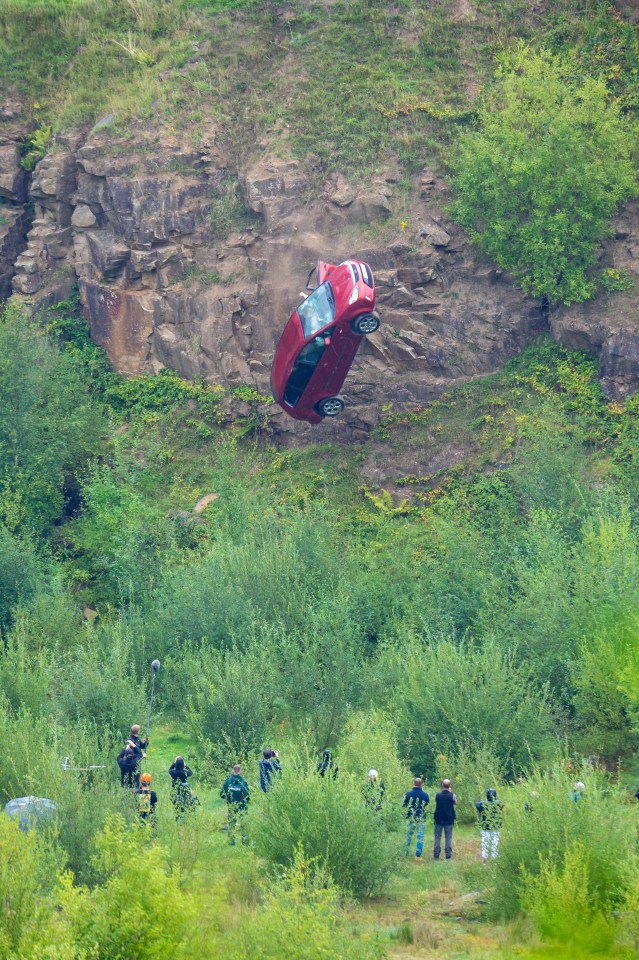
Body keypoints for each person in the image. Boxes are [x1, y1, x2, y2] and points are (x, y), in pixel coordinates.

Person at [220, 764, 250, 845]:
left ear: (233, 770)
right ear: (240, 771)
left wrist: (227, 799)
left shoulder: (227, 781)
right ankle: (245, 841)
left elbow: (222, 794)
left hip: (232, 805)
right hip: (242, 805)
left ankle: (231, 841)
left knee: (232, 823)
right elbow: (247, 795)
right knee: (243, 822)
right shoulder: (243, 782)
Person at [402, 777, 430, 860]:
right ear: (422, 784)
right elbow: (426, 804)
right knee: (420, 836)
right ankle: (418, 855)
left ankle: (405, 853)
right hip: (421, 818)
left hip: (410, 818)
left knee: (408, 836)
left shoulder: (408, 794)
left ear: (413, 783)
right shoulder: (425, 795)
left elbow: (404, 805)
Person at [475, 788, 503, 861]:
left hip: (485, 826)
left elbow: (476, 804)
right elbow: (501, 804)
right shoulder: (498, 803)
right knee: (495, 843)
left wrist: (482, 801)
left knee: (485, 844)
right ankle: (494, 858)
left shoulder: (482, 804)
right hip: (495, 826)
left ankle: (484, 858)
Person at [169, 756, 198, 821]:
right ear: (183, 765)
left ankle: (178, 817)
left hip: (176, 789)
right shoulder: (185, 772)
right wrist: (186, 765)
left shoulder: (173, 773)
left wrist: (174, 763)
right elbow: (191, 772)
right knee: (186, 802)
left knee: (176, 803)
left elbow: (169, 770)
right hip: (185, 789)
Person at [433, 779, 456, 860]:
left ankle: (436, 855)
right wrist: (450, 792)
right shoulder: (452, 795)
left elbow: (436, 801)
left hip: (438, 818)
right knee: (448, 837)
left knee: (437, 837)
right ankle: (448, 855)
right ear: (449, 786)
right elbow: (454, 802)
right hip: (449, 818)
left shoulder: (437, 795)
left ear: (442, 785)